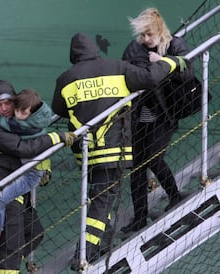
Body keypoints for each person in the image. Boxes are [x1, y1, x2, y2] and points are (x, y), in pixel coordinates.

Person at [51, 32, 184, 269]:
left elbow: (59, 108)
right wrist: (172, 61)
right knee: (103, 202)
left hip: (86, 153)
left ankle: (104, 243)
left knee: (103, 198)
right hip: (115, 149)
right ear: (94, 49)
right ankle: (84, 252)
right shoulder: (117, 67)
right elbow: (150, 77)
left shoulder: (65, 79)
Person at [0, 80, 77, 273]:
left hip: (17, 190)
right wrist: (55, 138)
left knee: (34, 234)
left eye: (8, 103)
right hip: (1, 191)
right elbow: (22, 148)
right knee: (13, 246)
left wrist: (45, 166)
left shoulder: (13, 123)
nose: (4, 108)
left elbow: (32, 140)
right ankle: (4, 265)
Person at [120, 7, 193, 233]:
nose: (145, 39)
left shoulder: (175, 45)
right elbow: (125, 73)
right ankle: (139, 217)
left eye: (149, 34)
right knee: (136, 166)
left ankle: (174, 195)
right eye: (142, 35)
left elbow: (188, 73)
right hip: (140, 114)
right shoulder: (134, 48)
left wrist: (162, 61)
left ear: (160, 31)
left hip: (165, 112)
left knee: (153, 157)